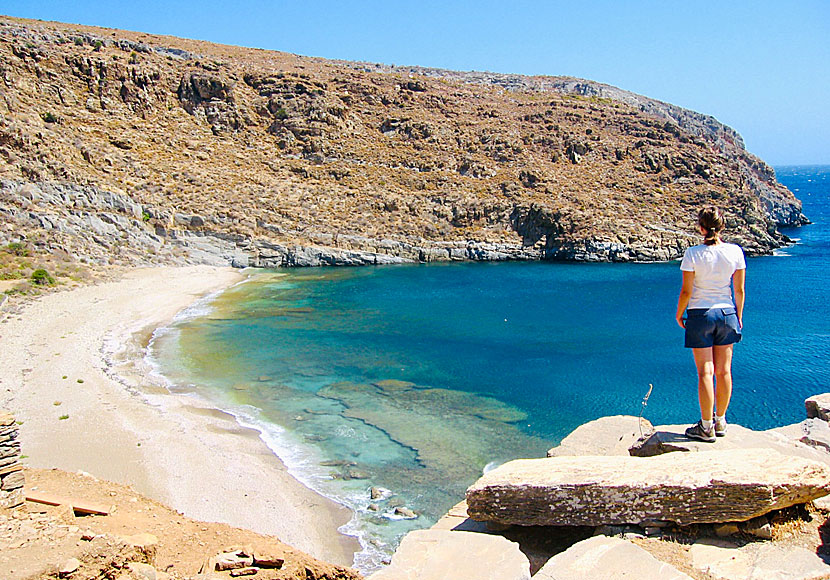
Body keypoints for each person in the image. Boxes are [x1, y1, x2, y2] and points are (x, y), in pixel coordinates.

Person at [675, 206, 746, 442]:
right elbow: (739, 289)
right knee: (724, 371)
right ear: (722, 226)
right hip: (727, 314)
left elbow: (687, 290)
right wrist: (739, 316)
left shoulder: (693, 254)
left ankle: (705, 427)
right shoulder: (735, 252)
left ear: (701, 227)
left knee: (705, 371)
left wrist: (679, 314)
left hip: (700, 315)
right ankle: (721, 421)